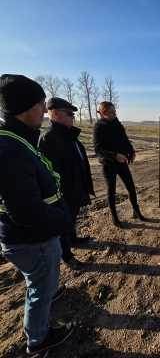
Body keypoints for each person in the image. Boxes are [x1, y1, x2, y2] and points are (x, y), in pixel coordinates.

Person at [0, 74, 73, 355]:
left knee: (43, 283)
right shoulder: (11, 150)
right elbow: (27, 212)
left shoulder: (16, 141)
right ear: (26, 107)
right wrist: (63, 220)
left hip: (32, 237)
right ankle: (39, 339)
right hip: (32, 239)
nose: (45, 110)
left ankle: (49, 297)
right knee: (39, 289)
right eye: (41, 104)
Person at [39, 97, 95, 270]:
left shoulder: (69, 135)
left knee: (71, 219)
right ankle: (67, 255)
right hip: (63, 194)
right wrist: (60, 195)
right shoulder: (49, 139)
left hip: (76, 190)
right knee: (63, 223)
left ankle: (73, 238)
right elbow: (49, 173)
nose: (73, 117)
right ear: (55, 114)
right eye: (69, 114)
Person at [93, 101, 147, 227]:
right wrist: (115, 156)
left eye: (115, 111)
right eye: (111, 112)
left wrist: (131, 151)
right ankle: (115, 219)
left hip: (122, 162)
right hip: (108, 164)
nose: (114, 114)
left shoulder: (117, 124)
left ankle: (137, 211)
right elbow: (98, 150)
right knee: (111, 191)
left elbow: (124, 140)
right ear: (103, 113)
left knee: (131, 187)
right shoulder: (99, 127)